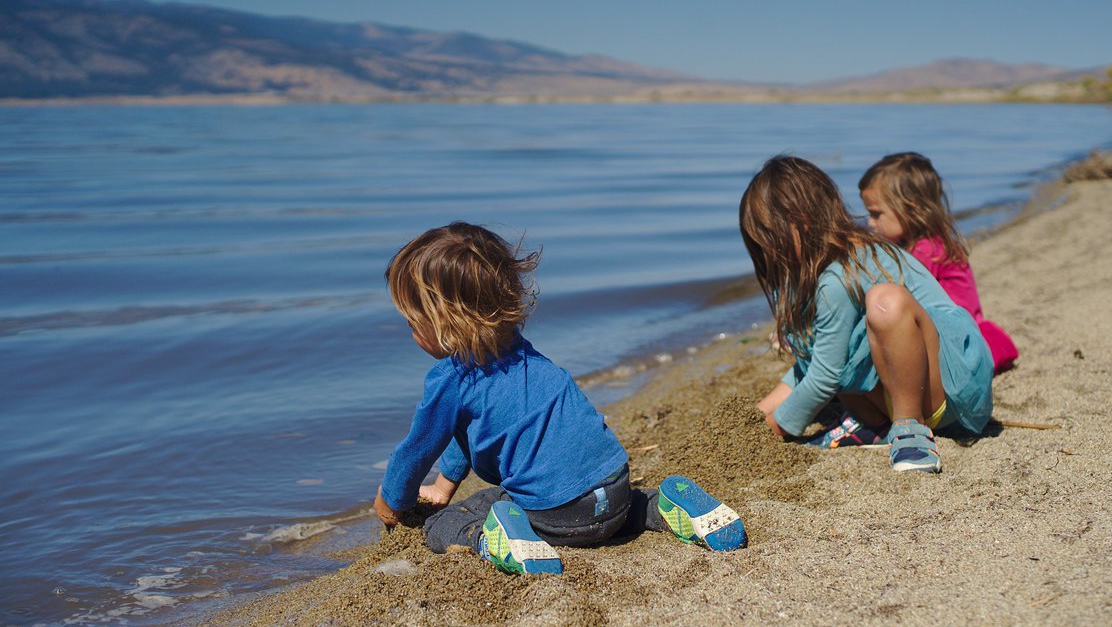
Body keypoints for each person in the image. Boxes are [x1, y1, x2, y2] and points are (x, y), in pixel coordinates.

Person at [373, 221, 746, 576]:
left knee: (447, 521)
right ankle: (662, 509)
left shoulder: (451, 380)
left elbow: (415, 451)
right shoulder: (523, 354)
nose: (410, 332)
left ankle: (493, 542)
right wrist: (443, 485)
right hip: (613, 491)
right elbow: (472, 431)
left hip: (560, 516)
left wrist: (392, 502)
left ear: (445, 321)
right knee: (618, 506)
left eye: (412, 322)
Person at [740, 156, 993, 472]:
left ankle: (910, 429)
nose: (765, 253)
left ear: (801, 222)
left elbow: (823, 378)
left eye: (768, 240)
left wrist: (774, 430)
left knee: (885, 302)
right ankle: (872, 425)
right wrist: (754, 419)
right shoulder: (824, 272)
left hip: (953, 386)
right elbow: (811, 366)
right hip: (922, 385)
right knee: (833, 343)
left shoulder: (841, 274)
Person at [858, 152, 1018, 373]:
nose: (870, 222)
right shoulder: (922, 245)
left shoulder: (928, 250)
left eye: (876, 214)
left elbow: (896, 290)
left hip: (958, 338)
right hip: (952, 331)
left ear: (910, 208)